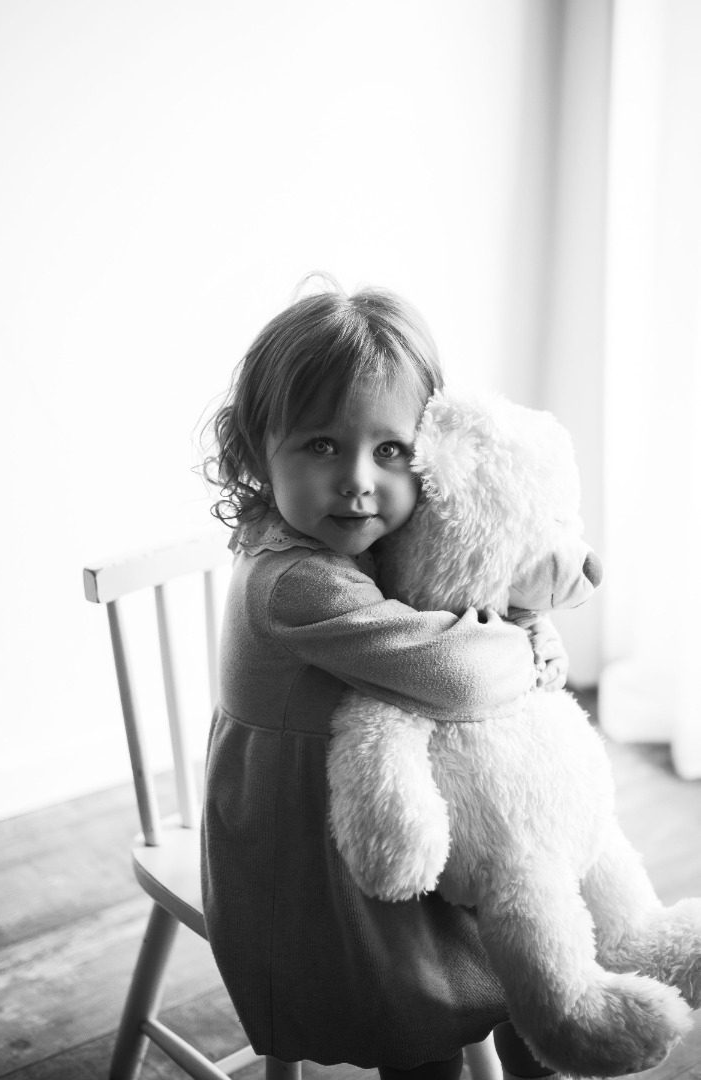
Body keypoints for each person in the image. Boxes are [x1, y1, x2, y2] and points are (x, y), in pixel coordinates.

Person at [200, 278, 569, 1080]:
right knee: (423, 1016)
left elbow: (454, 608)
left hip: (384, 809)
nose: (358, 479)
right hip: (305, 850)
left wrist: (521, 615)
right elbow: (453, 673)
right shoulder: (294, 581)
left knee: (529, 940)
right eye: (321, 445)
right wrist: (522, 638)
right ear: (256, 451)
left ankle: (541, 1030)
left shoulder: (359, 536)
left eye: (391, 449)